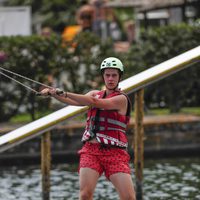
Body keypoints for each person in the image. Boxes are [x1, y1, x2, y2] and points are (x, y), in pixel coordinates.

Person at [40, 57, 136, 200]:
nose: (110, 79)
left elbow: (94, 102)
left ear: (120, 76)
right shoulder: (94, 93)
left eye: (114, 75)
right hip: (91, 151)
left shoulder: (121, 99)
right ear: (103, 76)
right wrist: (54, 94)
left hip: (115, 154)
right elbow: (74, 101)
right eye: (107, 75)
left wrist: (64, 92)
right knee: (85, 195)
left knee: (128, 198)